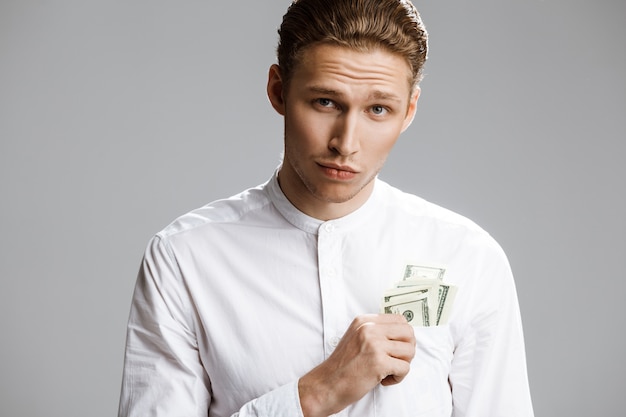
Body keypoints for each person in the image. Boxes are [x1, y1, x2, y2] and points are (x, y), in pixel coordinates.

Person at [118, 0, 534, 416]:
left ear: (408, 111)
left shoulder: (467, 258)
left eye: (377, 109)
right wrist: (315, 395)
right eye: (325, 102)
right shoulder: (184, 258)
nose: (346, 143)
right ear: (279, 91)